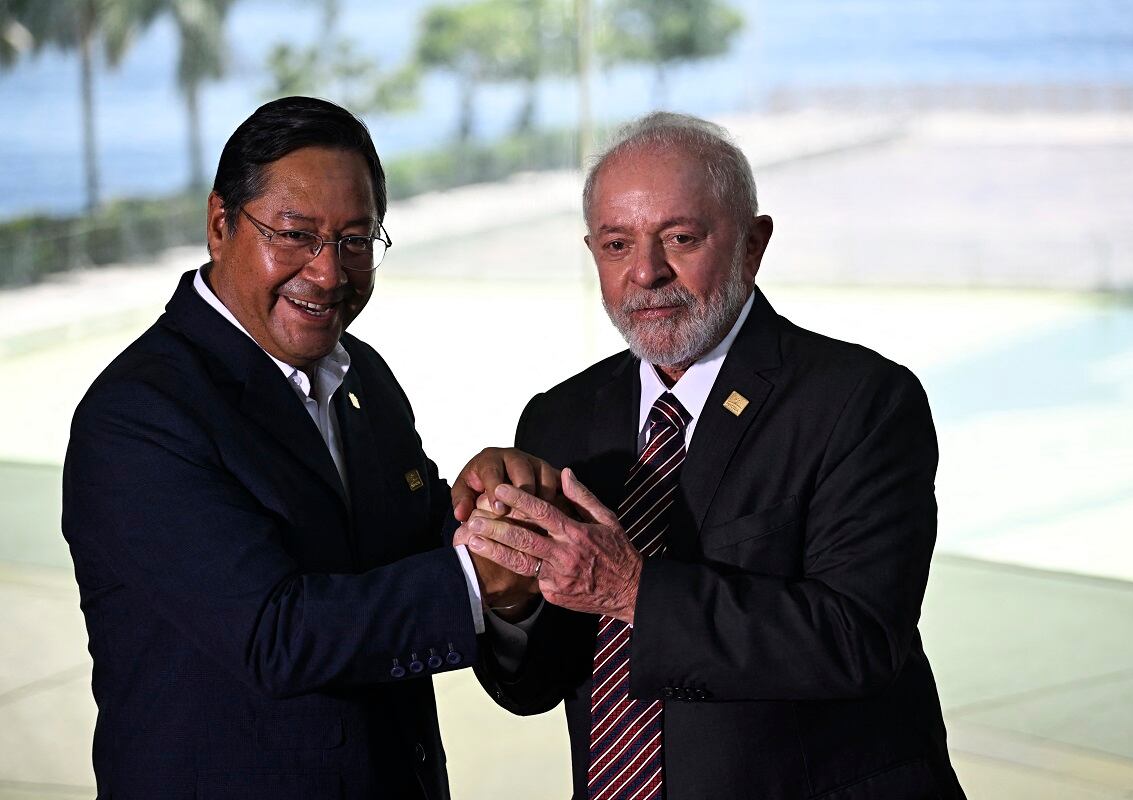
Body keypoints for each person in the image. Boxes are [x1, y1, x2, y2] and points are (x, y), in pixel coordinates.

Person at [461, 112, 966, 800]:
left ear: (752, 245)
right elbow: (534, 686)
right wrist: (511, 600)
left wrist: (634, 591)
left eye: (681, 238)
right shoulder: (558, 418)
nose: (646, 271)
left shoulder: (862, 401)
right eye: (616, 244)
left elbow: (859, 639)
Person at [61, 96, 545, 799]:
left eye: (355, 240)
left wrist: (491, 510)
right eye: (294, 235)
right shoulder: (138, 415)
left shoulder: (363, 375)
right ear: (220, 225)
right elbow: (273, 634)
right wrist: (475, 580)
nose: (328, 273)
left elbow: (405, 550)